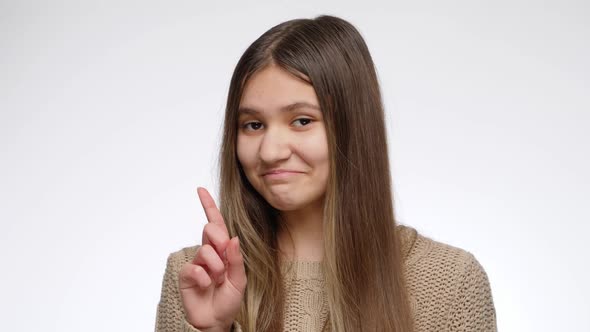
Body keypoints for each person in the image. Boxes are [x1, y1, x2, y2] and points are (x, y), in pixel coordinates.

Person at [155, 15, 497, 332]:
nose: (271, 151)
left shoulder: (450, 282)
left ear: (354, 129)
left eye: (302, 121)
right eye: (253, 125)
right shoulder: (195, 277)